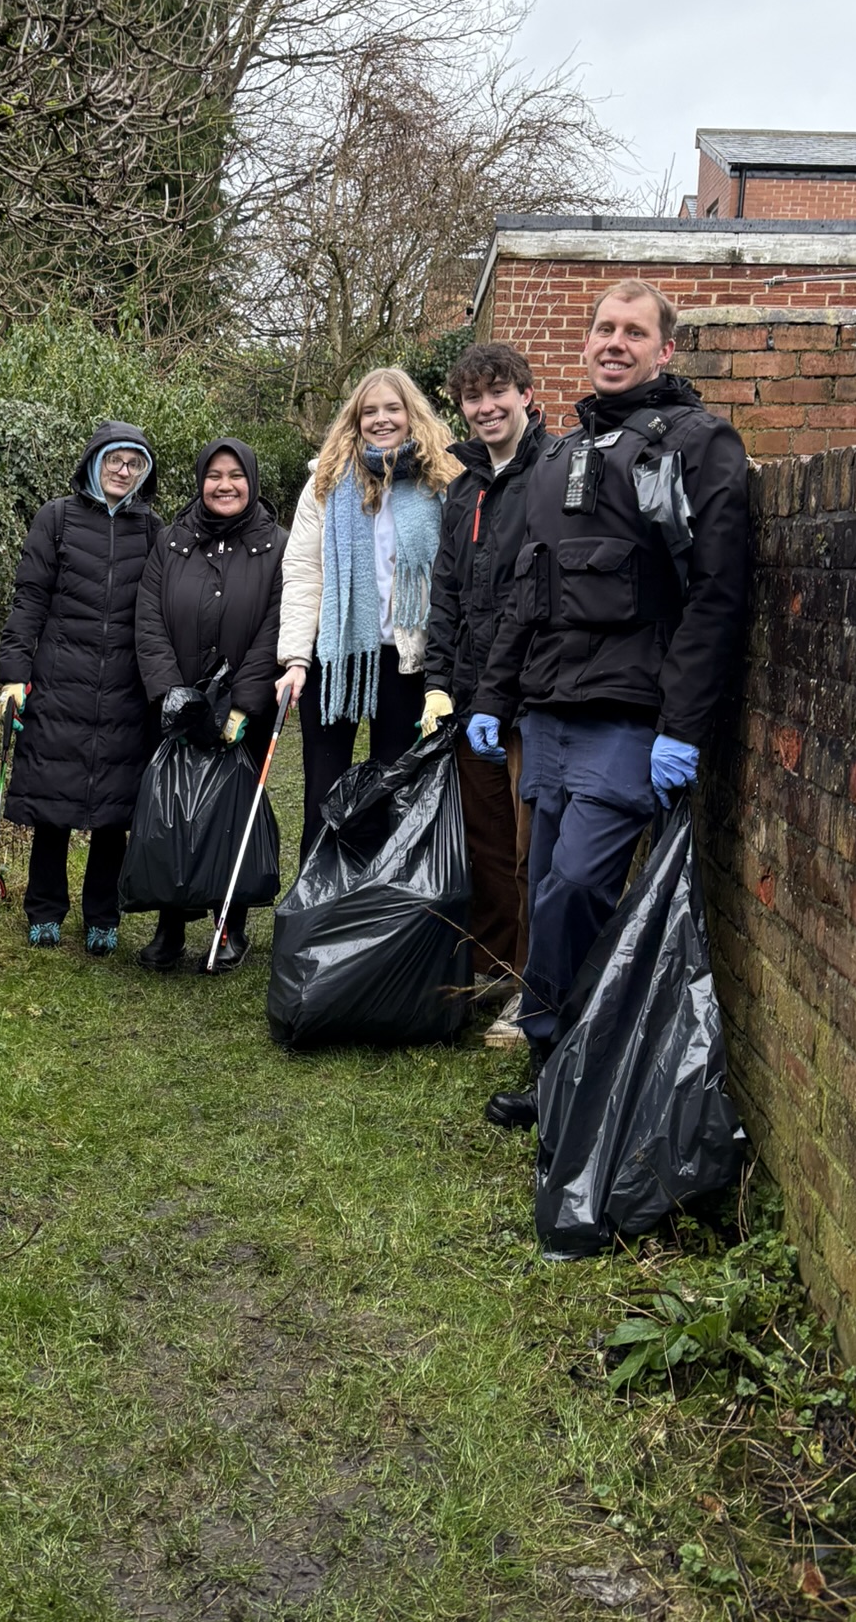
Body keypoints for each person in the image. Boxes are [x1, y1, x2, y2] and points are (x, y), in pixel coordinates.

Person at [470, 280, 750, 1129]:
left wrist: (682, 727)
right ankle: (555, 1068)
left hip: (630, 721)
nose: (614, 343)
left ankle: (574, 1053)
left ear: (666, 349)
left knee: (575, 890)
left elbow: (716, 596)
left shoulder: (700, 444)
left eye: (634, 331)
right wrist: (494, 695)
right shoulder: (560, 455)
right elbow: (526, 592)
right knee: (541, 887)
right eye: (603, 329)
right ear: (585, 344)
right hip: (549, 716)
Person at [420, 342, 552, 1035]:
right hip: (472, 698)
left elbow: (539, 595)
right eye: (473, 398)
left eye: (499, 392)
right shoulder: (463, 487)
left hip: (531, 696)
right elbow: (446, 592)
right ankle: (496, 968)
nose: (486, 407)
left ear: (526, 394)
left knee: (534, 849)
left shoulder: (553, 471)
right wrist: (438, 684)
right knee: (488, 843)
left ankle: (533, 984)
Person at [276, 367, 463, 856]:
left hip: (407, 659)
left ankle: (376, 892)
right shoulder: (326, 481)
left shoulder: (440, 480)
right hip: (337, 655)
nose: (381, 419)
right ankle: (315, 893)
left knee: (394, 786)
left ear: (411, 414)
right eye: (369, 411)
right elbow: (303, 571)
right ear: (355, 420)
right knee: (322, 786)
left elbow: (453, 574)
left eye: (392, 409)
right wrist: (295, 658)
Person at [0, 424, 160, 954]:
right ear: (95, 462)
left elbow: (162, 612)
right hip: (60, 681)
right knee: (54, 802)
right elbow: (28, 600)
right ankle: (44, 909)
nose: (123, 471)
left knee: (115, 812)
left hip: (126, 689)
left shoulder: (152, 530)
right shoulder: (57, 518)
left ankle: (102, 916)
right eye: (115, 460)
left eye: (134, 463)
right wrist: (13, 674)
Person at [134, 438, 285, 972]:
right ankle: (170, 924)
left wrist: (242, 703)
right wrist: (172, 695)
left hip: (244, 709)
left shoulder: (278, 547)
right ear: (201, 481)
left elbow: (276, 628)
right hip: (179, 706)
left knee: (232, 813)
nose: (225, 485)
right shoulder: (170, 542)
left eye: (236, 475)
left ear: (252, 481)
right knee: (174, 811)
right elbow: (148, 619)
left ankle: (229, 924)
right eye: (214, 475)